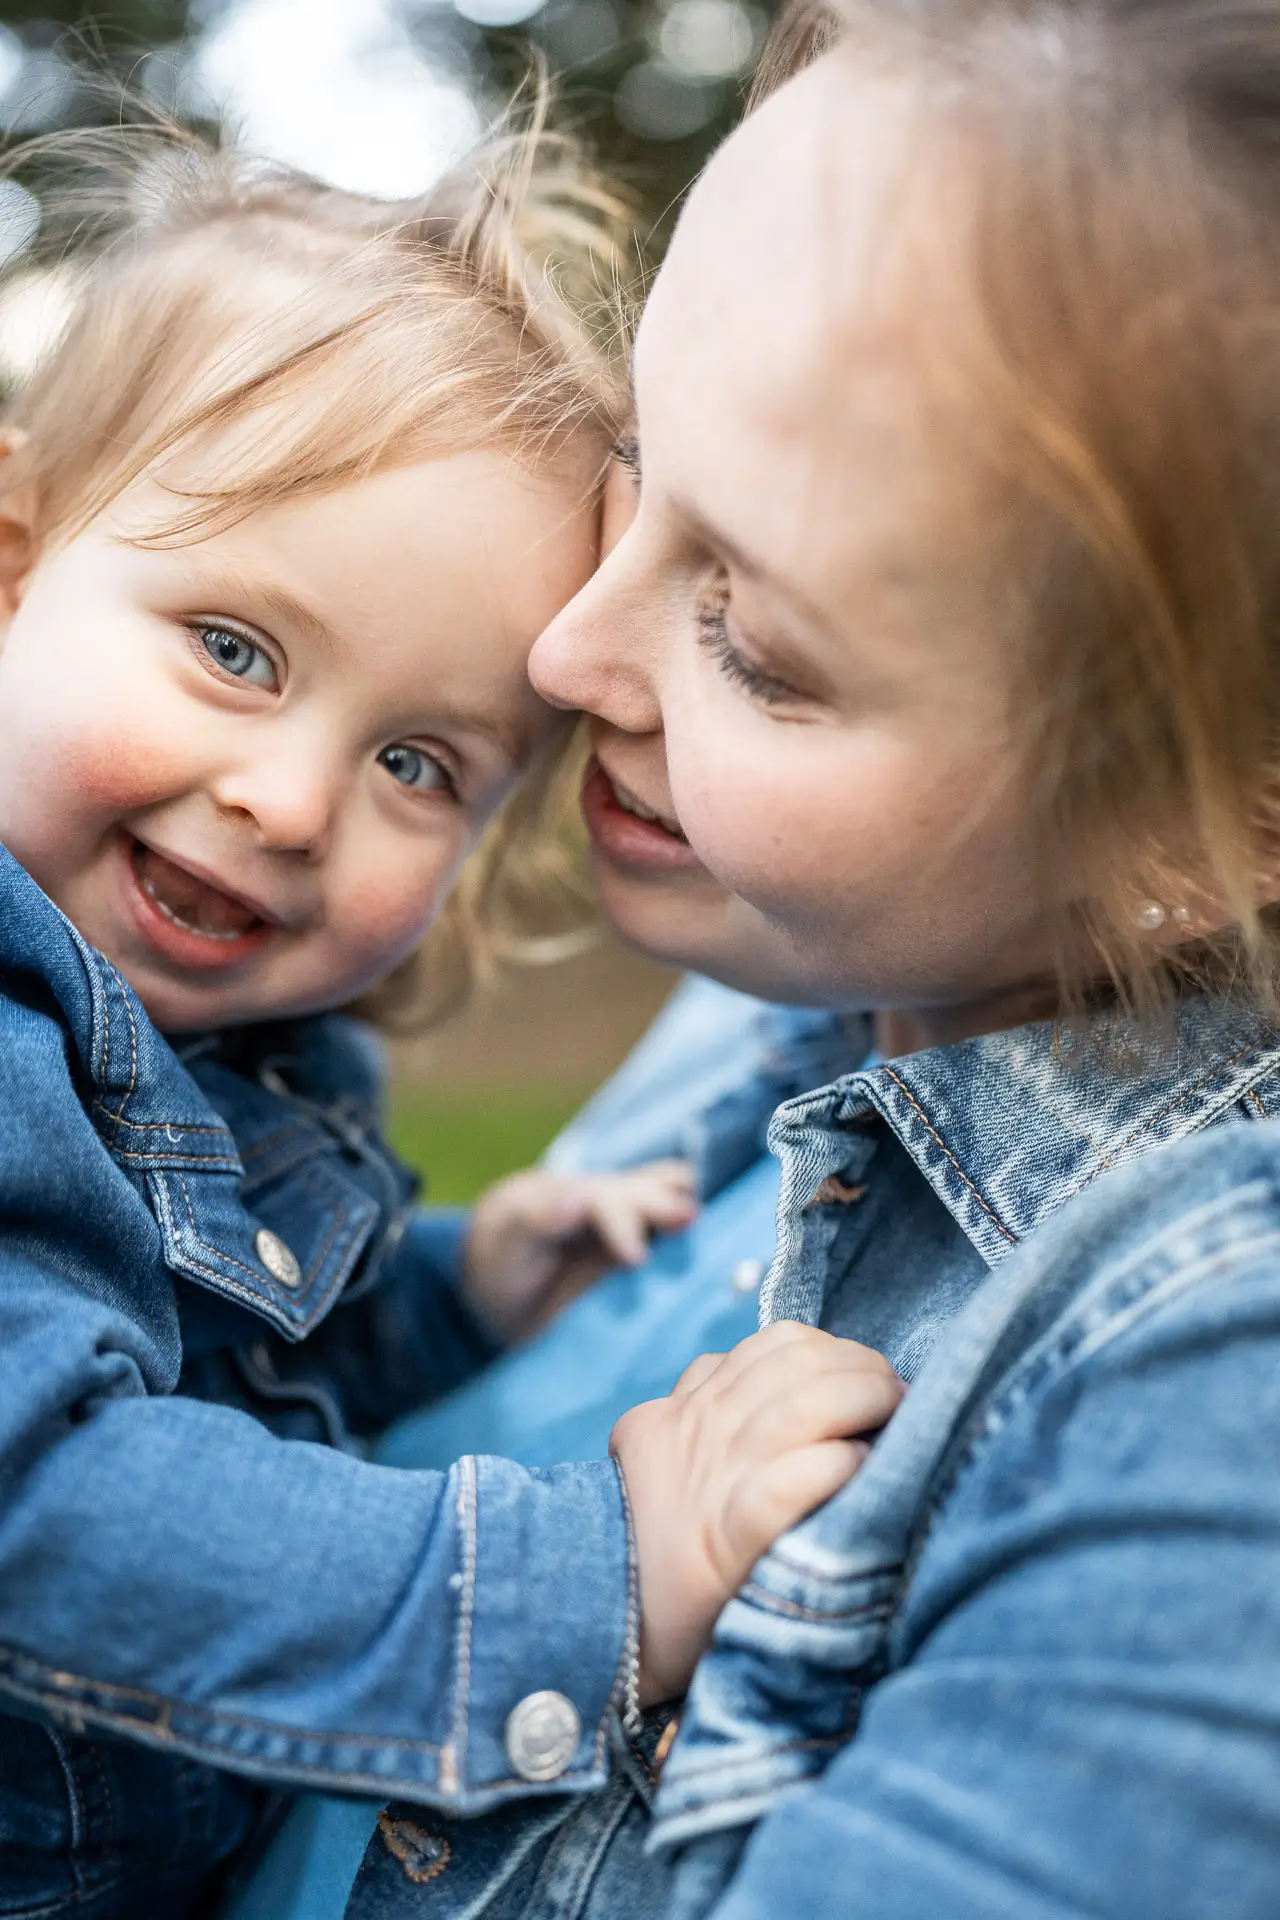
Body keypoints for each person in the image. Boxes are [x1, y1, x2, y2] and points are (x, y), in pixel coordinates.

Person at [341, 1, 1280, 1914]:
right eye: (632, 458)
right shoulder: (780, 991)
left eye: (757, 645)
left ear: (1203, 832)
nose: (565, 656)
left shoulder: (1210, 1404)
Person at [0, 115, 906, 1920]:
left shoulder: (240, 1054)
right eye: (236, 650)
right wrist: (595, 1577)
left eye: (419, 761)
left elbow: (211, 1353)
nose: (288, 800)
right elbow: (48, 1508)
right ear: (12, 568)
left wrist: (443, 1284)